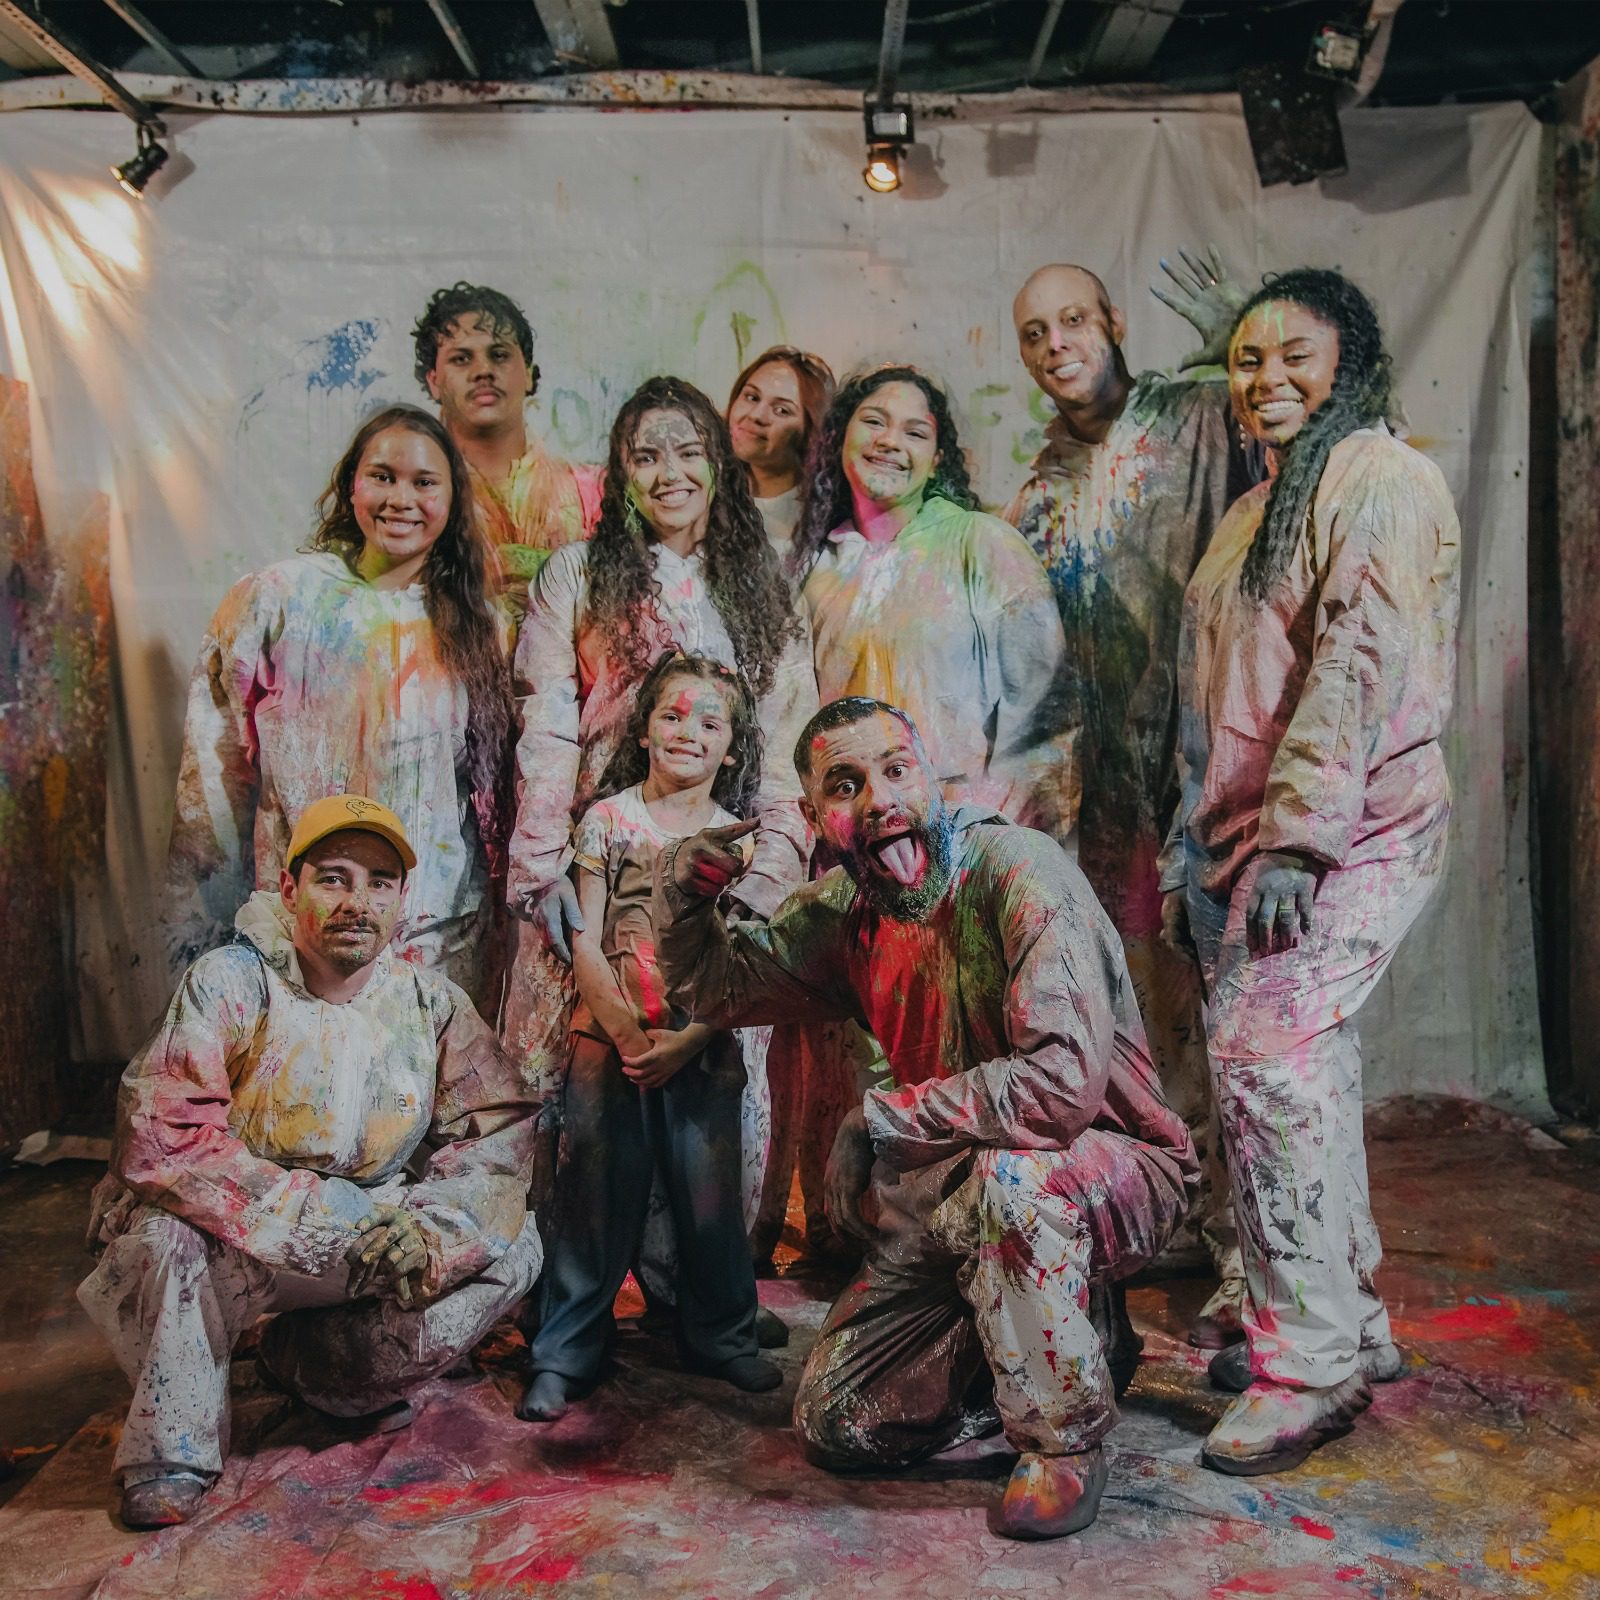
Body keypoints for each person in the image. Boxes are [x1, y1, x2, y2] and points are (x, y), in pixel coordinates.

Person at [652, 698, 1196, 1540]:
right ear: (816, 820)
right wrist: (683, 901)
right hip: (957, 1191)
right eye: (845, 785)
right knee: (841, 1421)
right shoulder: (846, 911)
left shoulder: (1021, 871)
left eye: (896, 770)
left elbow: (1059, 1090)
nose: (878, 800)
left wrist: (879, 1120)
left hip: (1107, 1166)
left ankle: (1064, 1441)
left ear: (932, 778)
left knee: (1012, 1184)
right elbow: (715, 989)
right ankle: (1067, 1338)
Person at [1161, 268, 1460, 1474]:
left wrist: (1296, 837)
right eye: (1247, 359)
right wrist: (1193, 849)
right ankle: (1348, 1320)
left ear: (1351, 361)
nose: (1266, 377)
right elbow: (1213, 702)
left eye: (1295, 354)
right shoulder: (1257, 507)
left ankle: (1311, 1363)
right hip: (1249, 839)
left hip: (1349, 829)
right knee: (1296, 1073)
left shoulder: (1378, 475)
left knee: (1266, 1065)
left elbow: (1358, 661)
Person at [80, 796, 543, 1530]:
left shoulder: (428, 1002)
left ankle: (323, 1368)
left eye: (380, 883)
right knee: (164, 1239)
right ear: (290, 889)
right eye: (334, 878)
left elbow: (497, 1136)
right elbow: (165, 1137)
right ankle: (172, 1453)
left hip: (363, 1234)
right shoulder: (234, 982)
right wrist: (327, 1216)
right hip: (233, 1232)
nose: (358, 902)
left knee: (515, 1245)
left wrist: (429, 1230)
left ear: (401, 899)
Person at [767, 365, 1075, 1265]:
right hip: (851, 854)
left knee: (957, 1043)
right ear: (842, 439)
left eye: (915, 429)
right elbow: (792, 713)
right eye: (874, 421)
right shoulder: (817, 566)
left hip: (958, 848)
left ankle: (962, 1246)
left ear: (940, 453)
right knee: (852, 1042)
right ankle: (858, 1241)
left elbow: (1045, 706)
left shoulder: (982, 544)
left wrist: (997, 827)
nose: (891, 442)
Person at [1006, 253, 1256, 1323]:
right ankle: (1182, 1213)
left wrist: (1240, 334)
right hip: (1106, 795)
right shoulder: (1038, 488)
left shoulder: (1195, 415)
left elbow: (1290, 418)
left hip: (1209, 766)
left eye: (1072, 320)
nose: (1056, 343)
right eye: (1035, 332)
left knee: (1233, 1010)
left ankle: (1254, 1255)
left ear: (1111, 320)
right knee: (1146, 1014)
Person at [165, 405, 513, 1009]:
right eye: (383, 476)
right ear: (352, 483)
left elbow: (491, 791)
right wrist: (209, 904)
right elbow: (215, 762)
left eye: (424, 482)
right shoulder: (278, 598)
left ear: (453, 498)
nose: (401, 499)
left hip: (438, 931)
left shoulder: (483, 624)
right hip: (304, 926)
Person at [522, 654, 782, 1421]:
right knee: (594, 1197)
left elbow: (740, 961)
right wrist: (627, 1035)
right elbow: (586, 939)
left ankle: (722, 1335)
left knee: (711, 1200)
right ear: (643, 731)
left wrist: (687, 1041)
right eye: (672, 715)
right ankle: (565, 1352)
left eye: (709, 722)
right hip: (610, 1044)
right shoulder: (608, 821)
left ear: (731, 748)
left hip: (702, 1043)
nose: (687, 732)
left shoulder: (736, 841)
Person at [413, 281, 600, 605]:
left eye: (499, 355)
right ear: (434, 381)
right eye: (461, 358)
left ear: (528, 373)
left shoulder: (593, 494)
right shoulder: (408, 499)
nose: (483, 371)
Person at [725, 345, 835, 548]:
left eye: (781, 410)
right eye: (752, 397)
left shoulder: (824, 518)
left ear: (811, 431)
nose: (756, 415)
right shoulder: (708, 491)